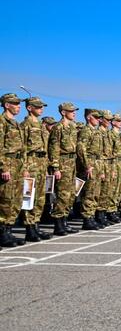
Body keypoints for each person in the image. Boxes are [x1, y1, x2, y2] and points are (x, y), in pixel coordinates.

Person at [20, 97, 52, 241]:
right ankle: (29, 228)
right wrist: (25, 167)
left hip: (41, 162)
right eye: (38, 106)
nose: (41, 109)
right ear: (29, 108)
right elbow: (22, 148)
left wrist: (45, 166)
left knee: (40, 197)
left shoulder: (41, 125)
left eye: (41, 107)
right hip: (31, 162)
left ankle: (36, 226)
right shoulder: (25, 124)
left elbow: (45, 148)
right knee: (29, 197)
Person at [0, 93, 28, 246]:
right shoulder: (2, 122)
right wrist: (4, 167)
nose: (18, 106)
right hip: (8, 163)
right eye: (15, 103)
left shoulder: (15, 123)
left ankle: (9, 230)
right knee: (6, 199)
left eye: (19, 103)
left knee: (16, 199)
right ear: (6, 105)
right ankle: (2, 232)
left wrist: (23, 167)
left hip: (17, 164)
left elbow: (21, 148)